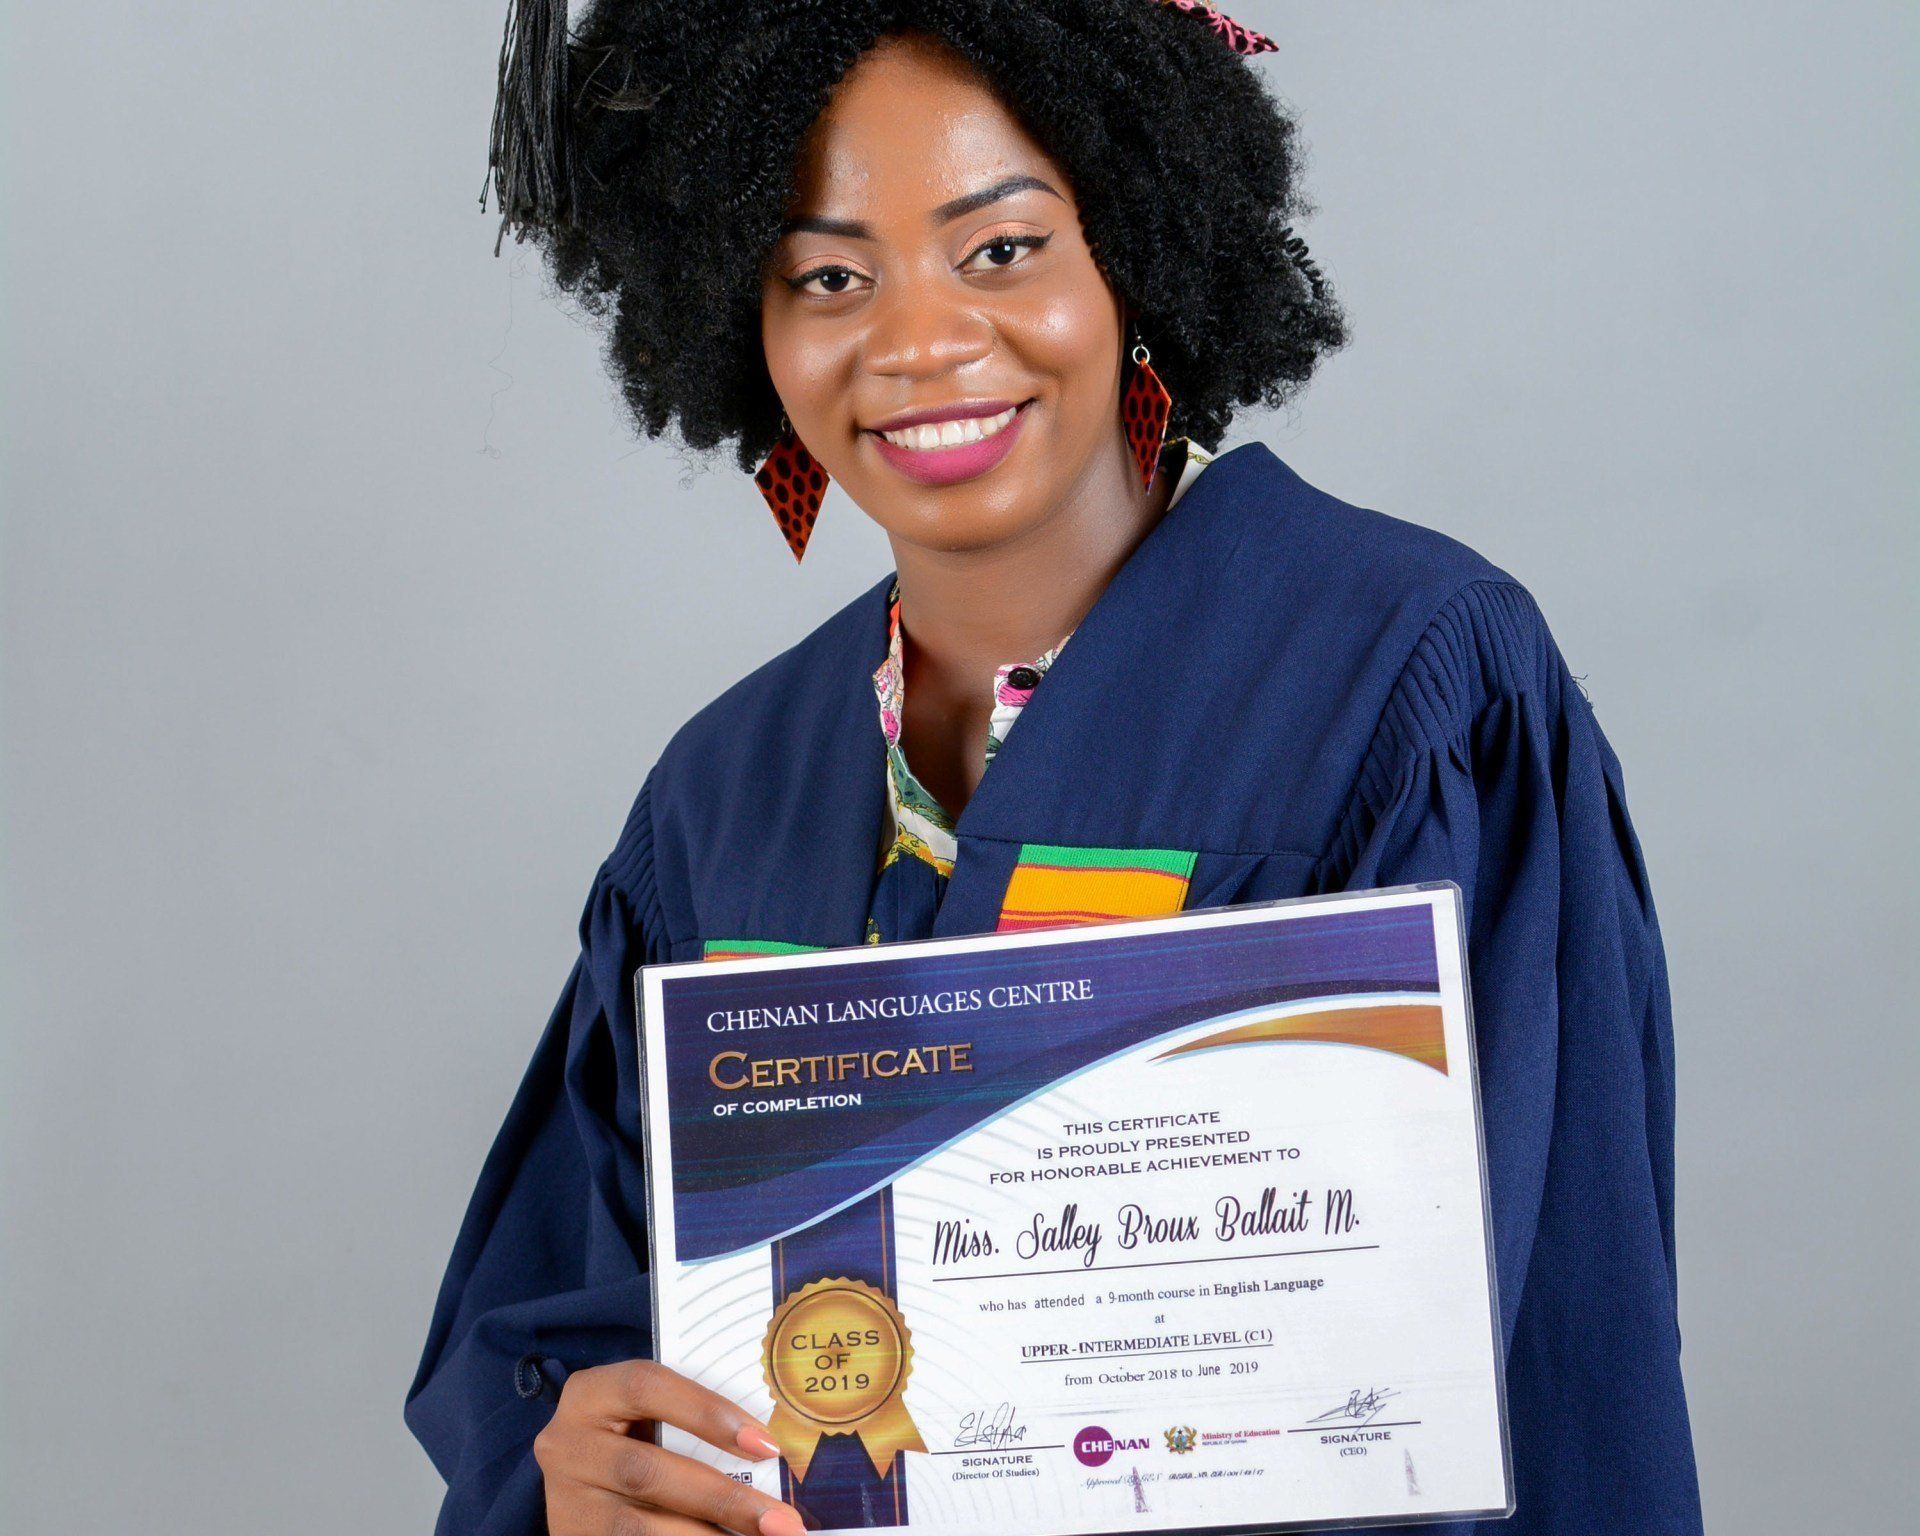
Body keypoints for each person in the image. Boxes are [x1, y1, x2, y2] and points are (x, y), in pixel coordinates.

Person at [409, 4, 1705, 1533]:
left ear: (1138, 248)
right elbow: (563, 1347)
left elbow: (1560, 1365)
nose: (919, 342)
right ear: (736, 318)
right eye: (829, 275)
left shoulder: (1401, 688)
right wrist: (584, 1483)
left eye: (1003, 248)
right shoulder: (723, 796)